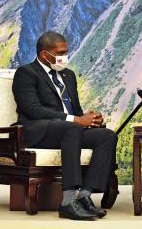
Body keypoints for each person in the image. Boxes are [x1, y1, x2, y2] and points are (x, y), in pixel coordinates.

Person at [12, 31, 117, 220]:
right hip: (40, 131)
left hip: (69, 132)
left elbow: (76, 111)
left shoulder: (68, 75)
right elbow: (33, 110)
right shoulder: (26, 73)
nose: (64, 57)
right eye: (60, 53)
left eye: (65, 52)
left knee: (107, 135)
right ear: (45, 54)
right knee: (72, 127)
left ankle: (84, 197)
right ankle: (68, 201)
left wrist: (90, 118)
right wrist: (76, 121)